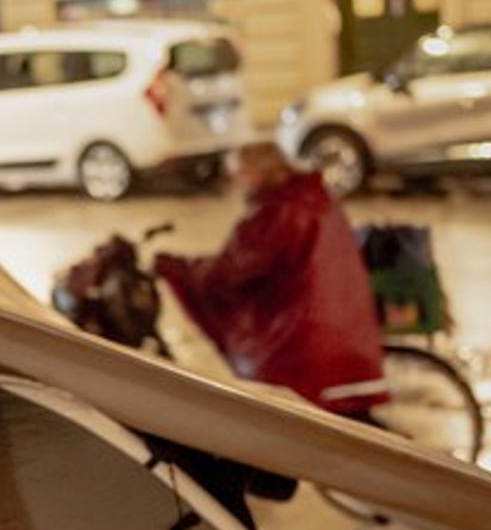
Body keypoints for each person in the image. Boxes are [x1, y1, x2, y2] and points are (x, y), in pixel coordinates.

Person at [154, 141, 389, 422]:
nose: (235, 182)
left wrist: (178, 268)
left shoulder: (275, 212)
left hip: (307, 346)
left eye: (237, 174)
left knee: (270, 405)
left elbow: (230, 272)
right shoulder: (316, 197)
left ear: (255, 173)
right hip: (348, 331)